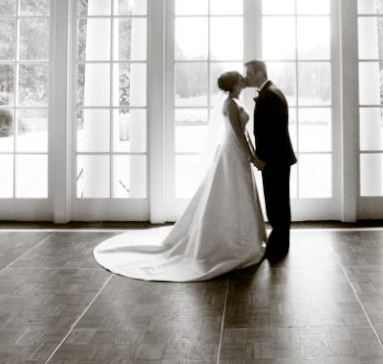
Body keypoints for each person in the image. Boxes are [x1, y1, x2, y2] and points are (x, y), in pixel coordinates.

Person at [93, 71, 266, 281]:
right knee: (233, 191)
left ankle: (245, 239)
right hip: (233, 153)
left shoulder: (235, 101)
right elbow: (239, 134)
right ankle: (235, 243)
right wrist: (252, 157)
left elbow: (244, 133)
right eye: (241, 78)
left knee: (239, 192)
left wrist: (252, 154)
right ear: (235, 84)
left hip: (237, 152)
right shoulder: (230, 103)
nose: (244, 80)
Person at [244, 59, 297, 260]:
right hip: (276, 159)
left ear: (259, 73)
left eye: (248, 73)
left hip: (275, 160)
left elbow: (272, 133)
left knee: (277, 204)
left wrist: (263, 159)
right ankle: (279, 244)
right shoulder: (269, 92)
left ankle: (279, 248)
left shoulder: (270, 95)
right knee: (277, 203)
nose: (246, 77)